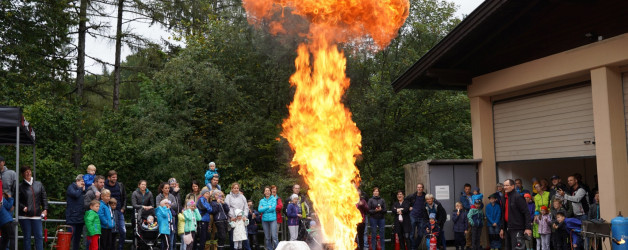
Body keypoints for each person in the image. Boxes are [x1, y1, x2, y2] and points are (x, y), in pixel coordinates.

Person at [18, 165, 48, 250]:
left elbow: (44, 198)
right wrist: (23, 208)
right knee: (27, 237)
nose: (28, 173)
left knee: (38, 236)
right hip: (25, 216)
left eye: (29, 171)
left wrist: (45, 209)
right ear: (22, 174)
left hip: (37, 215)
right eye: (25, 172)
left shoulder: (39, 184)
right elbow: (16, 200)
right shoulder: (20, 186)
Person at [499, 179, 532, 250]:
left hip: (517, 229)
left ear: (513, 186)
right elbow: (503, 214)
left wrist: (528, 228)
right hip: (508, 229)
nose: (505, 187)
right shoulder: (503, 198)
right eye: (504, 185)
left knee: (517, 248)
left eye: (507, 185)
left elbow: (526, 212)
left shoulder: (518, 197)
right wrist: (502, 228)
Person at [103, 170, 126, 250]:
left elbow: (124, 197)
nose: (115, 179)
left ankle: (120, 248)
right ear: (109, 178)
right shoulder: (104, 186)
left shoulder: (120, 185)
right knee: (111, 233)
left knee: (123, 231)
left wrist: (123, 208)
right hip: (109, 211)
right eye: (113, 177)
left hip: (119, 211)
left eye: (116, 177)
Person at [225, 182, 249, 249]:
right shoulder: (228, 197)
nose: (236, 189)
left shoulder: (242, 197)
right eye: (235, 188)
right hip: (233, 220)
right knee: (232, 239)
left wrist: (244, 216)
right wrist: (232, 216)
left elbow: (246, 207)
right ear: (232, 189)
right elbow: (227, 207)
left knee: (243, 238)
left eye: (237, 188)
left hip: (241, 221)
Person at [66, 174, 86, 250]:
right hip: (72, 217)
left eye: (84, 182)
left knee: (77, 239)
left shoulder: (84, 190)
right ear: (77, 181)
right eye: (82, 181)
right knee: (69, 238)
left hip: (80, 218)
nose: (83, 183)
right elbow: (75, 195)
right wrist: (81, 189)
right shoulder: (71, 187)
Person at [156, 182, 179, 250]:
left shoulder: (171, 196)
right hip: (163, 220)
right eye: (165, 188)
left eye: (168, 188)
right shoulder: (159, 196)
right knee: (164, 241)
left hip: (171, 219)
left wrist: (169, 205)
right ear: (162, 189)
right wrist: (166, 206)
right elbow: (158, 206)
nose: (167, 189)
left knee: (171, 240)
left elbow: (175, 205)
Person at [406, 183, 427, 250]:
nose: (419, 188)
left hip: (422, 218)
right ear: (416, 188)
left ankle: (414, 247)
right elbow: (405, 201)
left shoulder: (425, 196)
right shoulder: (412, 196)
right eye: (418, 187)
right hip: (413, 216)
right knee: (411, 235)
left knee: (421, 234)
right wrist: (408, 207)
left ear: (423, 189)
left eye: (420, 187)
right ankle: (413, 248)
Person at [460, 183, 473, 250]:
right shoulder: (463, 197)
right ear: (464, 189)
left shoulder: (473, 195)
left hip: (475, 215)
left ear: (470, 189)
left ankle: (474, 244)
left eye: (468, 189)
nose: (467, 190)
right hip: (468, 215)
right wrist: (474, 206)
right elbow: (466, 206)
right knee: (468, 230)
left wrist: (479, 205)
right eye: (466, 189)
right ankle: (468, 245)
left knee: (475, 230)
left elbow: (480, 204)